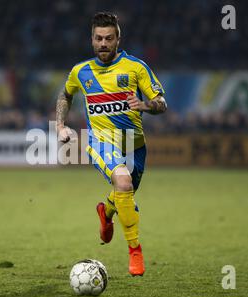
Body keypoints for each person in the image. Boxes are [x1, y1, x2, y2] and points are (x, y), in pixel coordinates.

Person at [55, 12, 167, 276]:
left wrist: (146, 105)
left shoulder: (136, 67)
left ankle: (106, 212)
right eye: (98, 38)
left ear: (118, 39)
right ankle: (135, 251)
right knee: (124, 183)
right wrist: (60, 124)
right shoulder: (81, 72)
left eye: (108, 38)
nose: (103, 43)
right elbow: (65, 94)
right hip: (101, 141)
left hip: (135, 145)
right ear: (92, 39)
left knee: (124, 193)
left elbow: (162, 103)